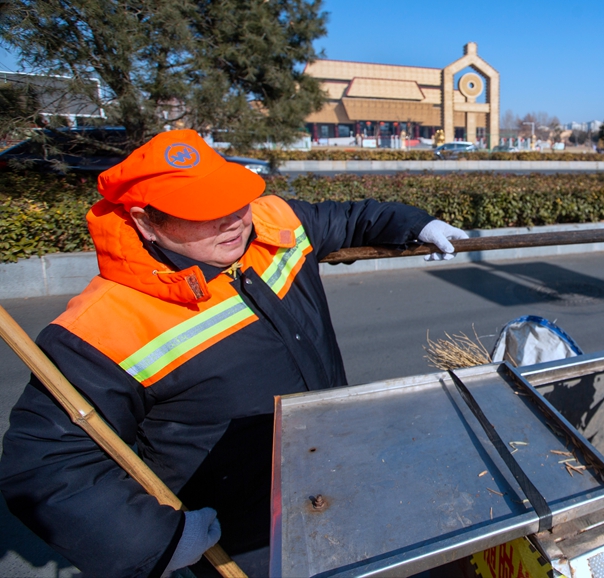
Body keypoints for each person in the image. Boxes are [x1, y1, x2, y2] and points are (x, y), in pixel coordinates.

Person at [0, 129, 468, 577]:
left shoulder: (270, 224)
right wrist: (157, 541)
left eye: (233, 200)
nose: (231, 220)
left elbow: (348, 216)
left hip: (334, 472)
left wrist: (416, 224)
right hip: (238, 532)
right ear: (144, 221)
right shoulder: (101, 327)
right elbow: (48, 465)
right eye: (201, 211)